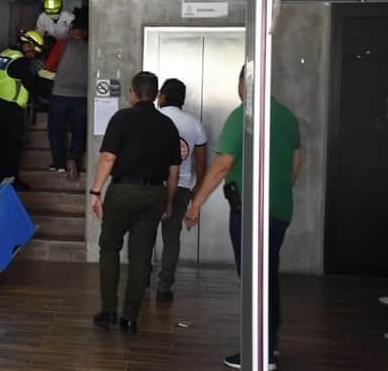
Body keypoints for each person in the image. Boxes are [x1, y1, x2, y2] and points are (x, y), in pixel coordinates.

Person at [185, 66, 301, 370]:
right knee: (266, 277)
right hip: (278, 211)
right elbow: (295, 160)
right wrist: (278, 191)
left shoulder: (244, 115)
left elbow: (223, 164)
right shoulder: (286, 115)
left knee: (253, 282)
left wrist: (196, 203)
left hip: (252, 214)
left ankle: (258, 353)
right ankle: (269, 345)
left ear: (243, 83)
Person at [90, 71, 181, 333]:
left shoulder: (122, 118)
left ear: (133, 92)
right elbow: (174, 171)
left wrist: (96, 192)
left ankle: (108, 311)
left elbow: (108, 158)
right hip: (155, 194)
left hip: (123, 191)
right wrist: (169, 201)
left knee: (109, 248)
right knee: (141, 256)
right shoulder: (168, 126)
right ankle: (130, 317)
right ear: (154, 95)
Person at [155, 78, 207, 302]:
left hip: (152, 186)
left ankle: (141, 279)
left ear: (163, 97)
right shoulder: (195, 125)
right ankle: (164, 287)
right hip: (183, 187)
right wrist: (197, 189)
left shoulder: (153, 120)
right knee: (171, 239)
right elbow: (202, 165)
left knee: (144, 234)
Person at [0, 30, 44, 191]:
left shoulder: (5, 54)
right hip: (10, 108)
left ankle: (0, 179)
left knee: (2, 145)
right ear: (28, 45)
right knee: (12, 146)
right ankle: (11, 181)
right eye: (34, 51)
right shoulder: (20, 61)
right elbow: (31, 84)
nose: (34, 55)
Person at [47, 8, 88, 181]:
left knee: (56, 130)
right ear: (85, 33)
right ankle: (74, 158)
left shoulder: (62, 44)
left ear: (71, 31)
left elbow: (49, 65)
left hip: (60, 94)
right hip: (82, 96)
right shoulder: (90, 48)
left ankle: (59, 163)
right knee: (79, 130)